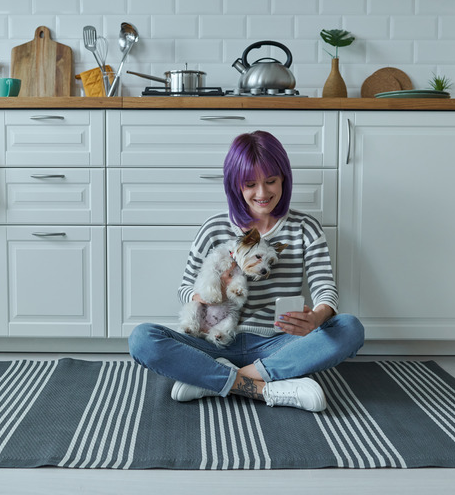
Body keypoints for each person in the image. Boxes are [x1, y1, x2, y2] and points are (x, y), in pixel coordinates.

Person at [128, 130, 364, 412]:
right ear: (235, 185)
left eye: (271, 181)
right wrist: (208, 294)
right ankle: (267, 388)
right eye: (250, 184)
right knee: (142, 339)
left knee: (349, 328)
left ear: (284, 179)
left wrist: (316, 317)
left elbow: (325, 288)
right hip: (214, 343)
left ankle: (216, 380)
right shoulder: (214, 228)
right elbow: (184, 290)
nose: (262, 193)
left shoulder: (305, 228)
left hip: (277, 343)